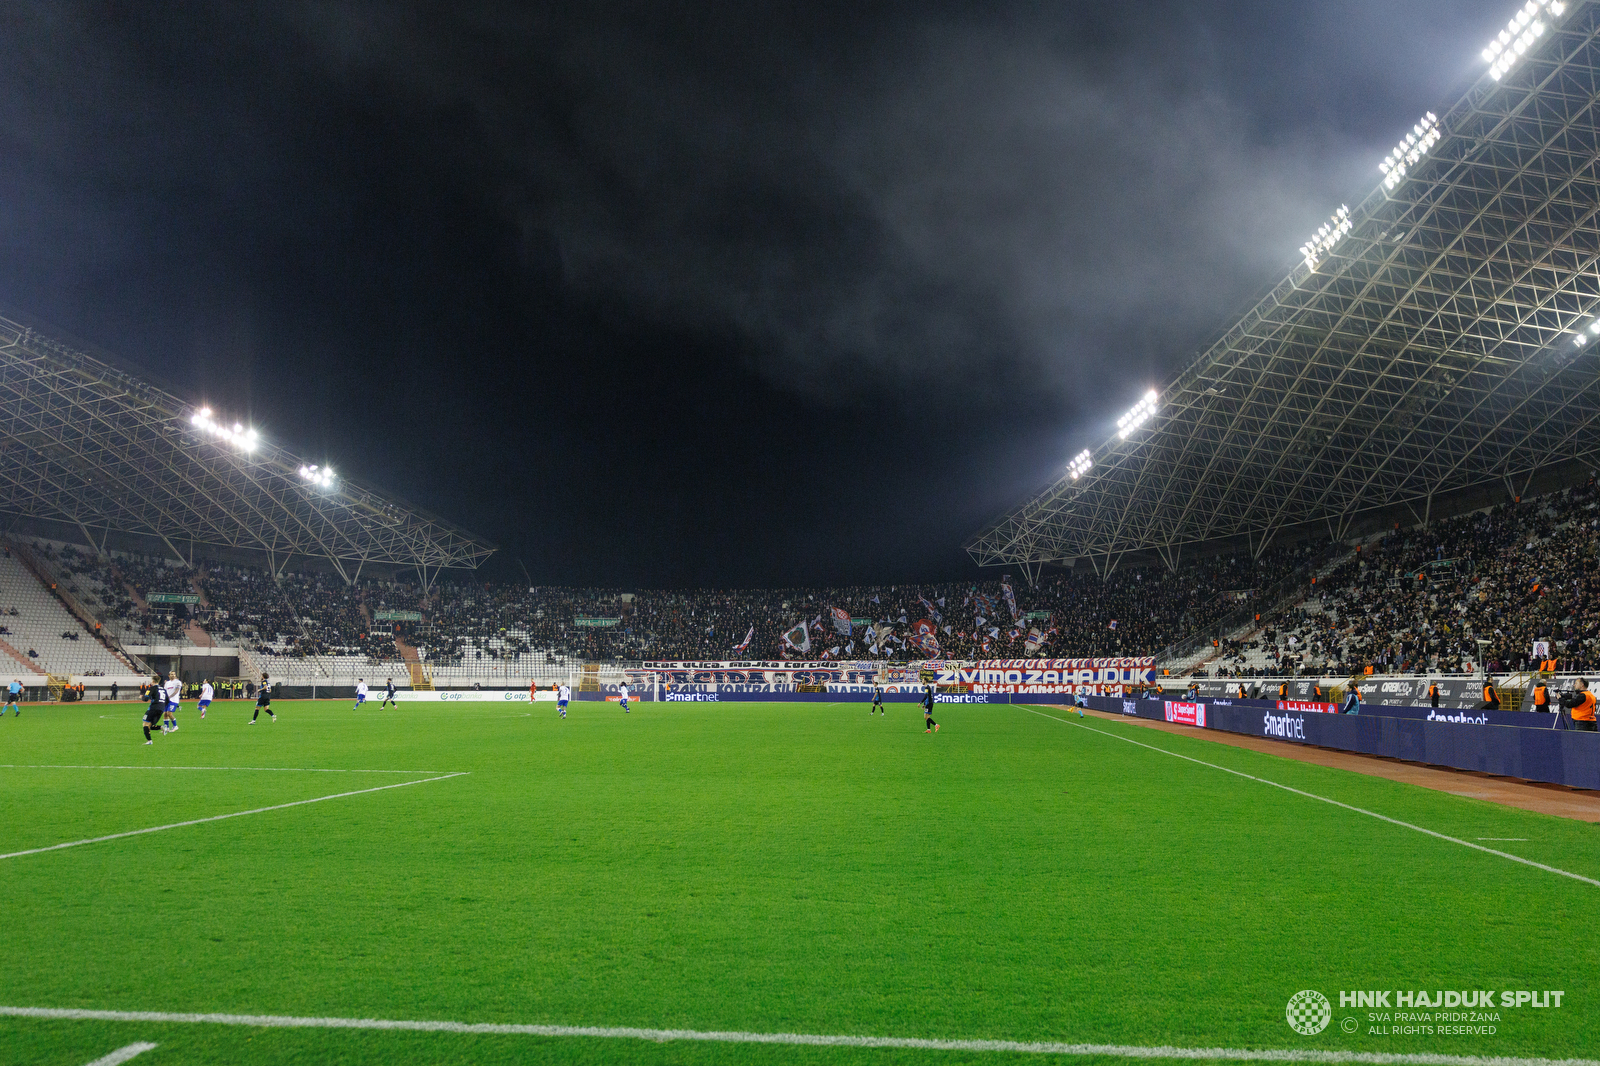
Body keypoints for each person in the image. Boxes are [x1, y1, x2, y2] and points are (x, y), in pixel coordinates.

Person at [142, 677, 166, 744]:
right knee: (151, 725)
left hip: (153, 708)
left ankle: (149, 741)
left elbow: (146, 698)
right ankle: (162, 727)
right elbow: (167, 700)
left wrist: (142, 697)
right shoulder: (163, 690)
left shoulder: (152, 688)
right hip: (161, 709)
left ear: (152, 681)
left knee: (145, 724)